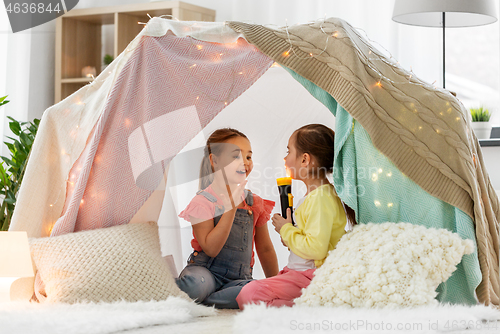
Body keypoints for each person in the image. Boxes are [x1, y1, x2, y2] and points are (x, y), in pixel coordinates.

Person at [236, 124, 351, 308]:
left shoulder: (321, 198)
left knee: (249, 294)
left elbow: (316, 249)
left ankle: (314, 304)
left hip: (312, 276)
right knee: (249, 295)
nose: (285, 158)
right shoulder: (314, 196)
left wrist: (286, 229)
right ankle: (309, 305)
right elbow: (308, 240)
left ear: (305, 159)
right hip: (298, 273)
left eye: (289, 151)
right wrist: (290, 235)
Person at [176, 128, 279, 309]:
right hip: (205, 273)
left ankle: (209, 301)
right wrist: (230, 208)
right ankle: (203, 294)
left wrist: (276, 285)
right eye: (236, 156)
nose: (245, 163)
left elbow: (265, 248)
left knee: (260, 292)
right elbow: (211, 249)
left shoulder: (254, 203)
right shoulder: (203, 202)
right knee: (196, 286)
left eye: (248, 157)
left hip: (239, 279)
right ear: (214, 161)